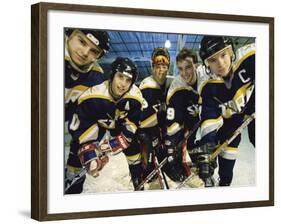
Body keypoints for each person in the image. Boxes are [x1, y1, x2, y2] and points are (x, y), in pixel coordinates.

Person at [65, 57, 144, 193]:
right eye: (120, 77)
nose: (123, 84)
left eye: (128, 80)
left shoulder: (136, 96)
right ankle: (71, 182)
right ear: (112, 75)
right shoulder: (92, 95)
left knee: (134, 148)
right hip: (98, 124)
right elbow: (82, 126)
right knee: (76, 150)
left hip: (119, 125)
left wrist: (116, 143)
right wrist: (89, 153)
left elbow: (133, 123)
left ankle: (137, 177)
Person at [198, 35, 255, 186]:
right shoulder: (207, 85)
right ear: (207, 64)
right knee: (226, 174)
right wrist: (207, 149)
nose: (221, 64)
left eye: (223, 55)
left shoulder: (250, 57)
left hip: (252, 113)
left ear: (231, 52)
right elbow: (209, 119)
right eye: (212, 60)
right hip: (229, 126)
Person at [64, 28, 111, 194]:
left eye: (94, 51)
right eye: (82, 41)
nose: (84, 53)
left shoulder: (97, 79)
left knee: (73, 184)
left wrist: (90, 152)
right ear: (69, 34)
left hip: (72, 134)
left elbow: (92, 121)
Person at [165, 48, 206, 187]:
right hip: (188, 120)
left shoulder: (207, 76)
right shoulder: (176, 85)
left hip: (206, 118)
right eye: (180, 69)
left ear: (197, 64)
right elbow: (172, 117)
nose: (184, 73)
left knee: (209, 145)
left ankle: (207, 167)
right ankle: (183, 167)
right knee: (184, 142)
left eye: (188, 67)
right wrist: (172, 141)